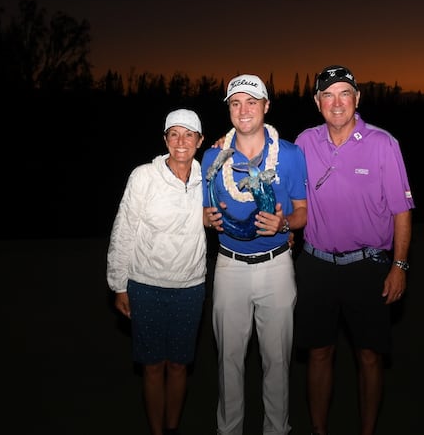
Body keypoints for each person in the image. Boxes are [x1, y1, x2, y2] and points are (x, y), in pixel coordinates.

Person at [293, 65, 415, 435]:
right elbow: (286, 188)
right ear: (317, 102)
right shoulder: (304, 142)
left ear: (357, 99)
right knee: (318, 352)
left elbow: (402, 209)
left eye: (344, 93)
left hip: (367, 266)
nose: (336, 102)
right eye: (327, 95)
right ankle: (319, 430)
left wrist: (399, 265)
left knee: (369, 356)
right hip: (315, 264)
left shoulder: (382, 143)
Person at [201, 74, 308, 435]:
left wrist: (283, 225)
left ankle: (277, 429)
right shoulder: (214, 156)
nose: (243, 110)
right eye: (235, 103)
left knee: (276, 360)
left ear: (266, 106)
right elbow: (205, 209)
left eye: (251, 102)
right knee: (228, 360)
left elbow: (302, 214)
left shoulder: (290, 154)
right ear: (229, 110)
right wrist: (206, 218)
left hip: (277, 266)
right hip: (229, 266)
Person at [106, 109, 207, 435]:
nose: (181, 141)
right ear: (165, 139)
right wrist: (119, 284)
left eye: (188, 134)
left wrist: (283, 230)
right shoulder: (143, 177)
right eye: (174, 134)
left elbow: (236, 205)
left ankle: (173, 428)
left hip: (191, 286)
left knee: (178, 366)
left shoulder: (208, 177)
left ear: (199, 141)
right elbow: (124, 230)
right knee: (152, 367)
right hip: (146, 285)